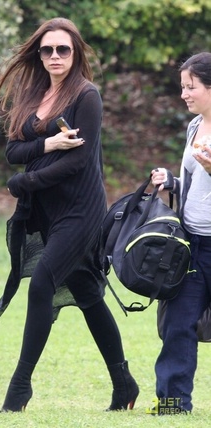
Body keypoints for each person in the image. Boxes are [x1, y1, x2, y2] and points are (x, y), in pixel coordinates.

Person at [0, 17, 139, 413]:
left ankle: (19, 389)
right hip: (47, 213)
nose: (55, 56)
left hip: (81, 210)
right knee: (88, 295)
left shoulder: (86, 96)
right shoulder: (33, 94)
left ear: (76, 53)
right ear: (39, 54)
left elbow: (79, 162)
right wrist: (49, 142)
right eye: (48, 50)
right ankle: (124, 384)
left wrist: (24, 183)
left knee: (41, 284)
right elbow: (13, 152)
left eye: (63, 49)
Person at [151, 51, 211, 414]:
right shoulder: (194, 127)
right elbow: (194, 184)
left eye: (191, 87)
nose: (184, 94)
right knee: (177, 325)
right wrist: (170, 181)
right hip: (191, 243)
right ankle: (173, 404)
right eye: (182, 87)